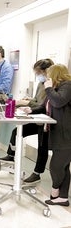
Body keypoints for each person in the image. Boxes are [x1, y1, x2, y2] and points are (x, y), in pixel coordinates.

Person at [0, 59, 54, 184]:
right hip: (35, 116)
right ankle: (11, 156)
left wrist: (27, 103)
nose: (37, 75)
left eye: (38, 72)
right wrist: (29, 99)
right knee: (17, 132)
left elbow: (42, 104)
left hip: (45, 119)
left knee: (42, 146)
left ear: (46, 71)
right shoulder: (41, 84)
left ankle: (37, 173)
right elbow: (37, 100)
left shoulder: (51, 84)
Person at [25, 64, 71, 207]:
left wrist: (49, 88)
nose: (47, 78)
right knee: (63, 167)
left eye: (49, 74)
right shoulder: (56, 89)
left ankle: (55, 191)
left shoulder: (68, 86)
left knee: (56, 166)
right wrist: (31, 110)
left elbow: (57, 102)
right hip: (59, 135)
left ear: (56, 74)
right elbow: (45, 106)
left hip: (66, 136)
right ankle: (63, 198)